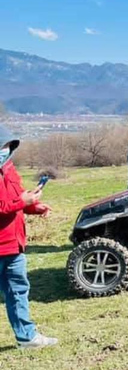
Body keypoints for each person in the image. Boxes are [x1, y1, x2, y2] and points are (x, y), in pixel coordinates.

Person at [0, 130, 57, 349]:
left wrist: (33, 206)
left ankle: (26, 337)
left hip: (14, 245)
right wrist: (21, 202)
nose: (6, 151)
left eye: (8, 147)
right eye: (3, 146)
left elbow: (17, 197)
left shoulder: (9, 168)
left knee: (18, 291)